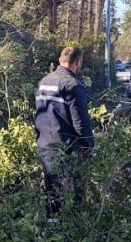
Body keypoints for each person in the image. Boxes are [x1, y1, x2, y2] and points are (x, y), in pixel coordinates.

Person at [34, 44, 95, 209]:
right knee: (70, 199)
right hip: (64, 150)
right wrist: (90, 147)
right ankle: (70, 230)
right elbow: (81, 125)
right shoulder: (73, 86)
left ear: (60, 60)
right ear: (78, 62)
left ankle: (51, 228)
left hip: (44, 145)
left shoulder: (44, 82)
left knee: (51, 194)